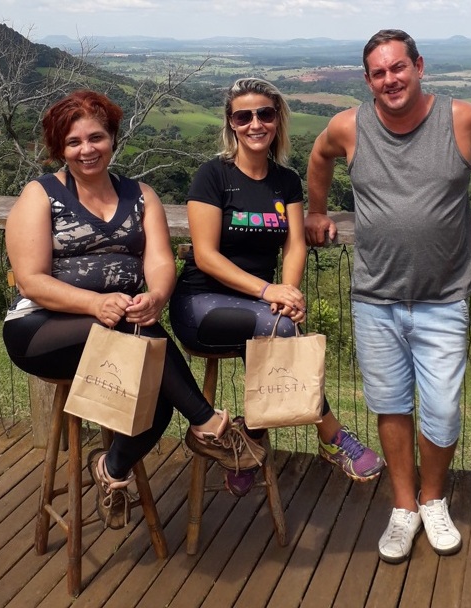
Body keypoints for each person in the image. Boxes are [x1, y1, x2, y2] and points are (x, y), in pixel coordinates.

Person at [3, 90, 265, 530]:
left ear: (112, 139)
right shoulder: (40, 195)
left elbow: (160, 260)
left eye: (96, 137)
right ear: (59, 149)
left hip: (123, 329)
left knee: (155, 379)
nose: (87, 149)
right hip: (41, 329)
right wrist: (95, 303)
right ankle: (210, 425)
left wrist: (157, 296)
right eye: (73, 142)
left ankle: (112, 468)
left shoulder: (140, 195)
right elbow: (32, 280)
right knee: (137, 338)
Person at [305, 30, 471, 563]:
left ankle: (433, 499)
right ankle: (403, 507)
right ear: (367, 79)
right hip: (375, 295)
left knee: (442, 409)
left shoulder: (461, 120)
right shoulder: (348, 126)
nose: (390, 79)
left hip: (443, 298)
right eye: (378, 72)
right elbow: (319, 157)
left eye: (398, 68)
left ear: (420, 66)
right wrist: (317, 210)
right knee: (390, 406)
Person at [169, 77, 385, 497]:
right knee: (280, 333)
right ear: (231, 123)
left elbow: (295, 244)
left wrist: (290, 292)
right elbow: (207, 256)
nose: (255, 124)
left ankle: (245, 445)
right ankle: (332, 434)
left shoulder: (285, 181)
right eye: (243, 116)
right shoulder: (213, 175)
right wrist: (270, 294)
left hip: (258, 307)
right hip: (200, 302)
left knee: (275, 334)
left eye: (264, 114)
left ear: (277, 119)